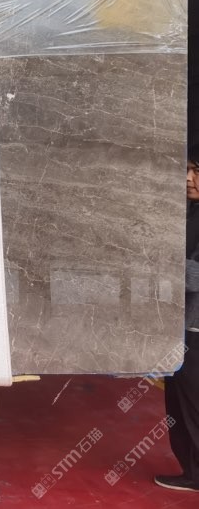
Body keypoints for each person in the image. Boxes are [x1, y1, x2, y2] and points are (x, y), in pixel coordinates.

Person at [155, 151, 199, 492]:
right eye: (185, 170)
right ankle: (191, 469)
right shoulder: (189, 212)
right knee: (178, 401)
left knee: (191, 403)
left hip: (195, 328)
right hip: (182, 324)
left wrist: (158, 263)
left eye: (196, 171)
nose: (187, 178)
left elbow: (195, 276)